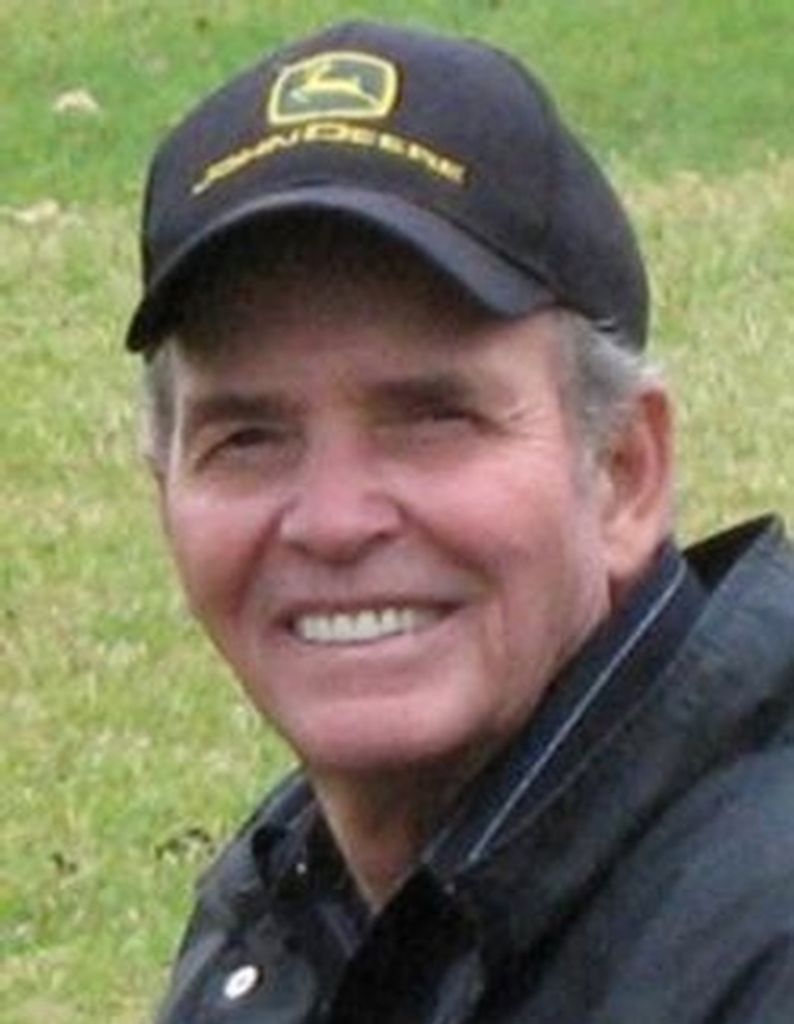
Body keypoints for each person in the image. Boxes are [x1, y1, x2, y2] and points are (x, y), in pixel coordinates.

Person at [126, 20, 794, 1024]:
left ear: (621, 472)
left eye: (433, 420)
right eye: (248, 437)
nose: (335, 521)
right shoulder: (305, 906)